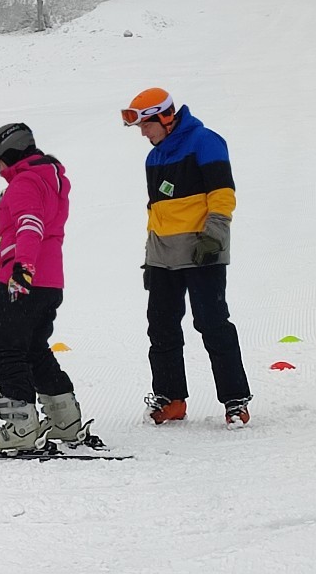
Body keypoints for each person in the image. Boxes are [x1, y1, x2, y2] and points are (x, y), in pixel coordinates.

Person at [121, 87, 252, 427]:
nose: (143, 133)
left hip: (201, 251)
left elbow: (222, 194)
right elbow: (157, 211)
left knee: (212, 323)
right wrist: (150, 256)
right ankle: (171, 399)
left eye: (146, 125)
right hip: (163, 258)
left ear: (165, 117)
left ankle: (235, 400)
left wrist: (214, 237)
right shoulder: (154, 157)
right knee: (161, 327)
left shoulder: (205, 141)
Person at [0, 123, 93, 454]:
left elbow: (30, 224)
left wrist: (22, 268)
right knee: (33, 350)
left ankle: (21, 427)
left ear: (11, 152)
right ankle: (65, 421)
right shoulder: (48, 179)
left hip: (22, 280)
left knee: (3, 354)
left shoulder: (26, 182)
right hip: (49, 282)